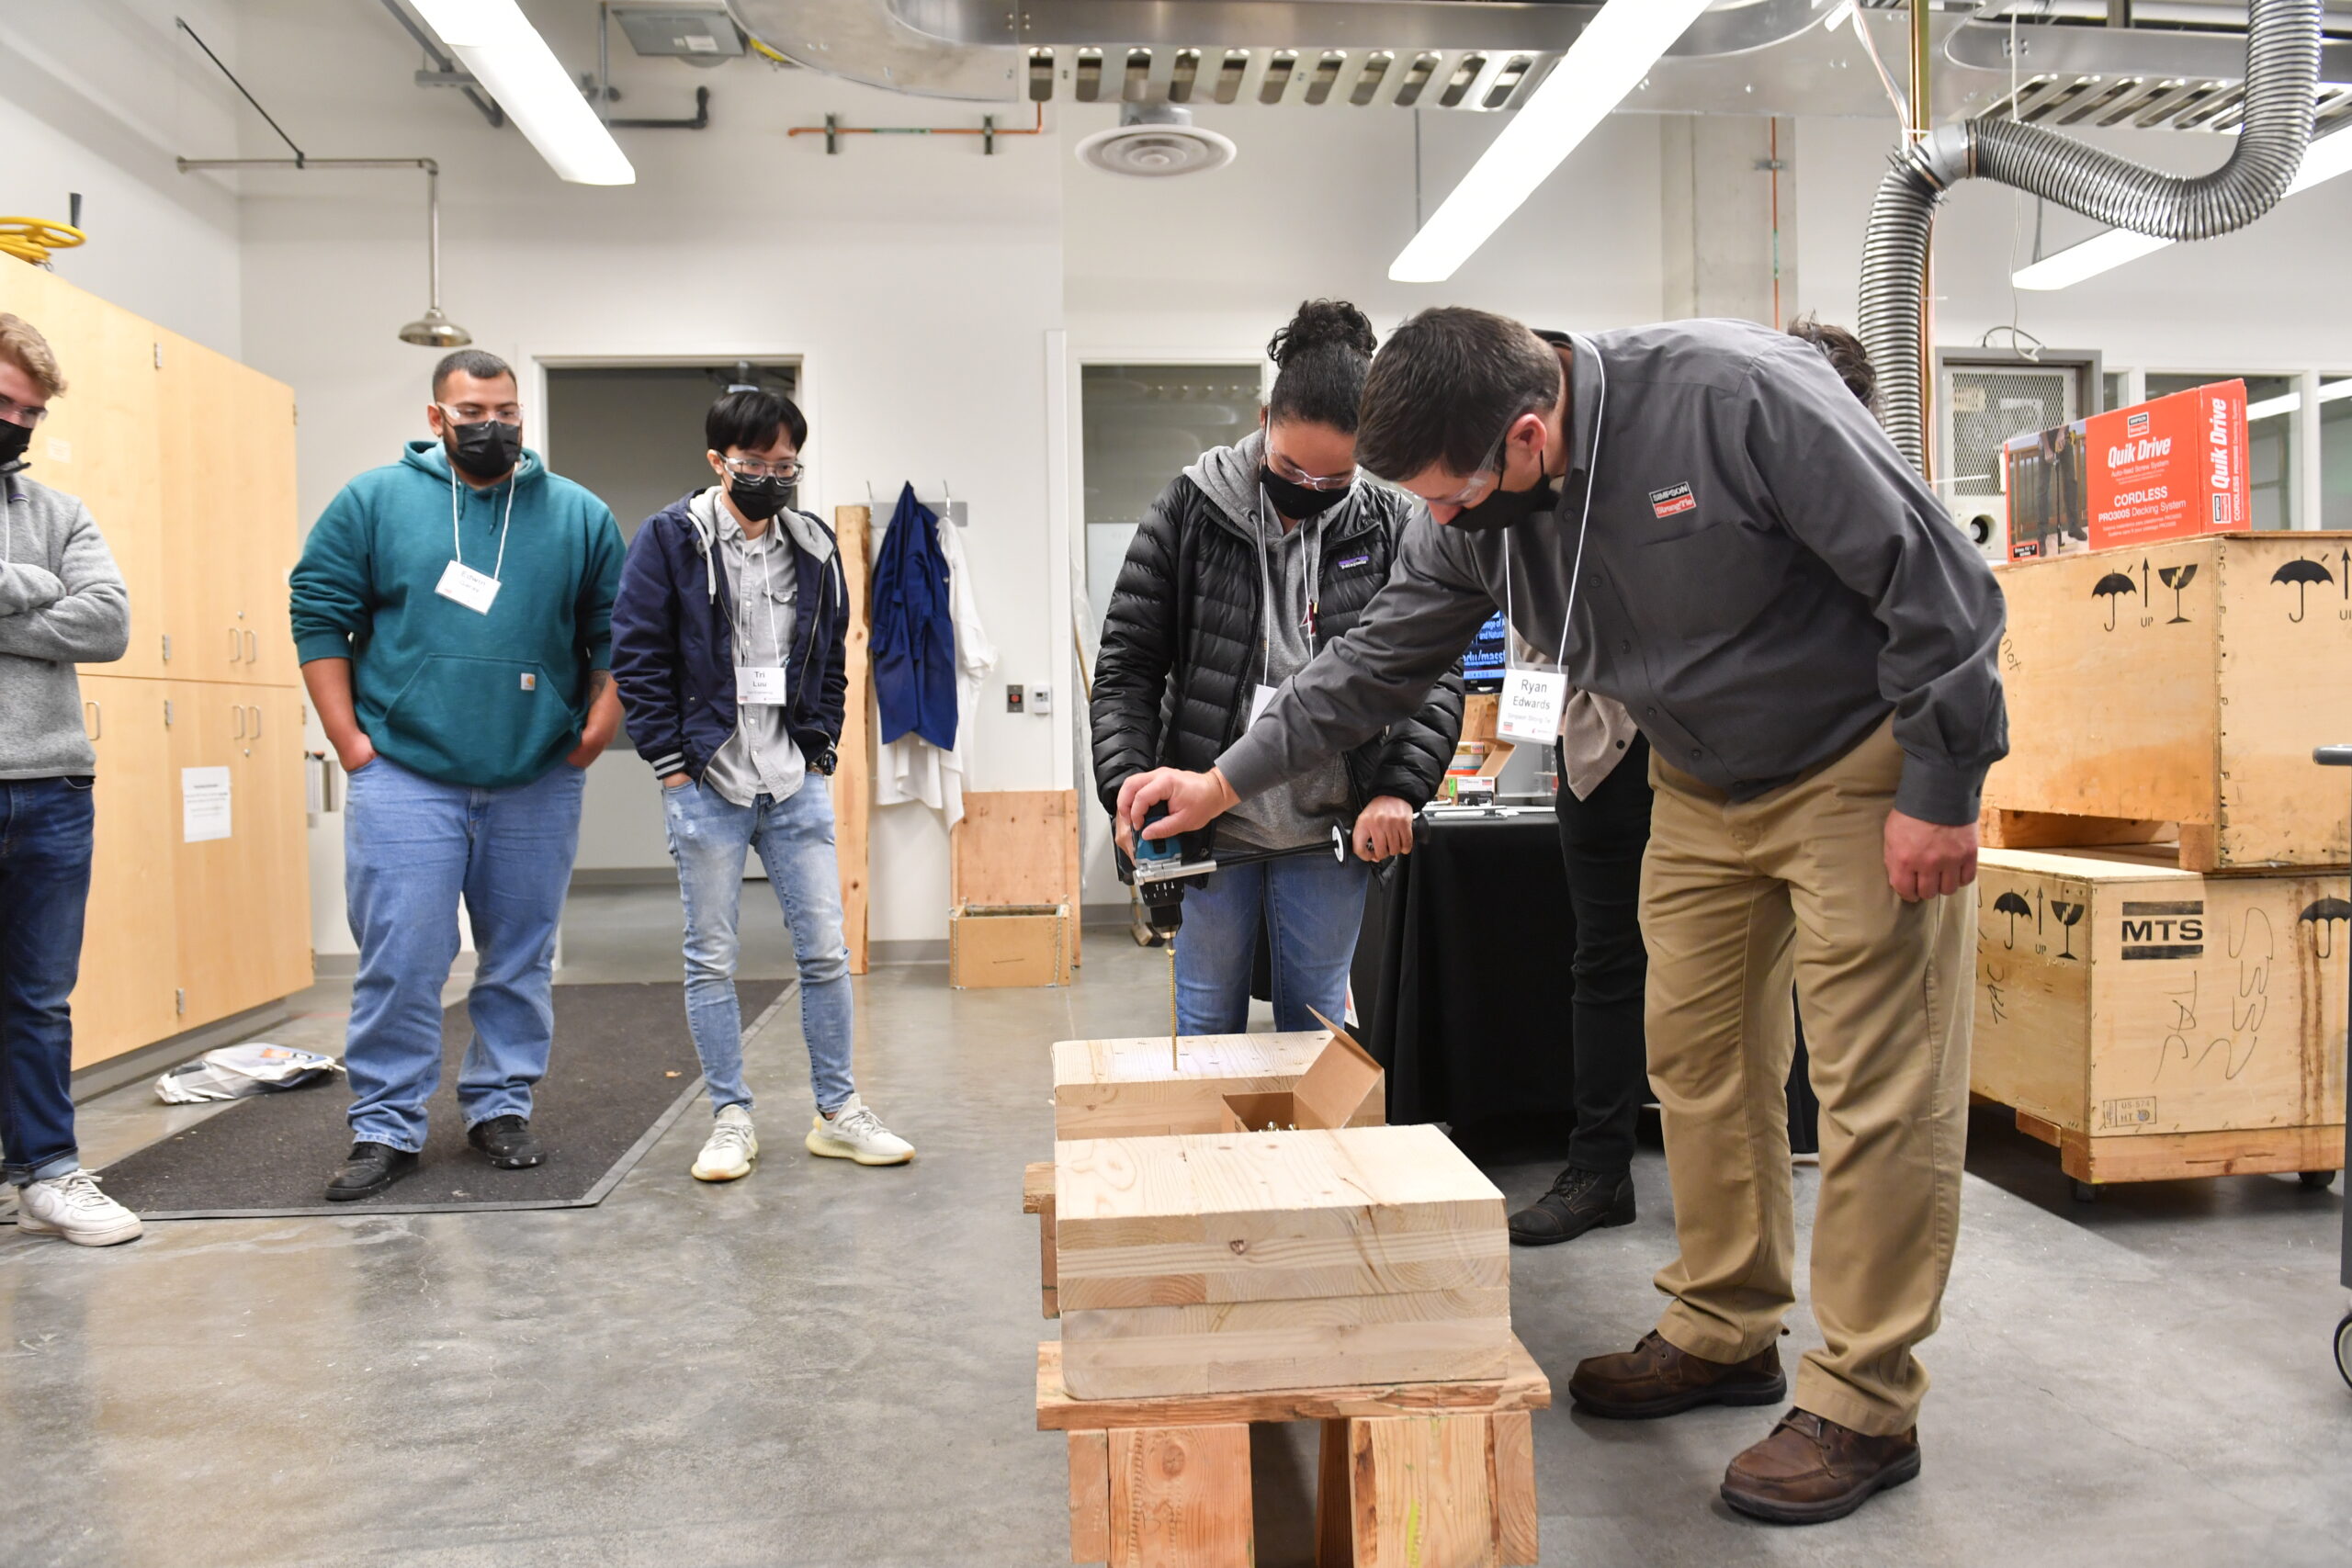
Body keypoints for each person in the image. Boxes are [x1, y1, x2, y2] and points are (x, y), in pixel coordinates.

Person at [1118, 309, 2005, 1526]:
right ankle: (1726, 1321)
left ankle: (1864, 1398)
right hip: (1698, 775)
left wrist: (1942, 785)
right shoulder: (1474, 506)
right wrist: (1222, 779)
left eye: (1449, 496)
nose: (1437, 521)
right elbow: (1375, 661)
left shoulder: (1736, 398)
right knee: (1695, 1056)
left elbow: (1941, 578)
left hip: (1856, 755)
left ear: (1529, 436)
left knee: (1875, 1083)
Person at [1511, 317, 1878, 1246]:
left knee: (1802, 998)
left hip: (1786, 764)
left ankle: (1772, 1186)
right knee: (1619, 969)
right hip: (1613, 752)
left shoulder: (1843, 486)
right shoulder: (1653, 453)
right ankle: (1605, 1174)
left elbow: (1927, 605)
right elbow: (1517, 606)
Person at [291, 349, 625, 1201]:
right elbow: (319, 613)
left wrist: (594, 730)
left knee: (519, 954)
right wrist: (349, 743)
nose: (494, 426)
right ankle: (385, 1125)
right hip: (405, 770)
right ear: (436, 419)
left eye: (507, 411)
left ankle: (499, 1105)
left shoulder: (578, 513)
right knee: (403, 957)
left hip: (535, 774)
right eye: (473, 412)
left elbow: (617, 632)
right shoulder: (373, 501)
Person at [1091, 300, 1463, 1032]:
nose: (1309, 493)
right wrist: (1125, 784)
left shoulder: (1388, 523)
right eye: (1292, 468)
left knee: (1317, 1031)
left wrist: (1398, 788)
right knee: (1205, 1023)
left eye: (1334, 480)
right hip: (1209, 831)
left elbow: (1432, 670)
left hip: (1327, 831)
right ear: (1264, 418)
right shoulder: (1189, 511)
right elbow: (1128, 666)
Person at [609, 389, 911, 1179]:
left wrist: (820, 753)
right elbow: (636, 656)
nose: (773, 478)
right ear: (718, 462)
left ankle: (838, 1111)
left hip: (792, 777)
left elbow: (836, 654)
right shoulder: (669, 540)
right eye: (755, 464)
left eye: (787, 465)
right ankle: (729, 1116)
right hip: (706, 779)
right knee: (711, 956)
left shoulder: (812, 542)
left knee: (824, 951)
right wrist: (671, 764)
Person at [0, 314, 139, 1247]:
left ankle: (49, 1173)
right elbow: (67, 610)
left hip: (50, 786)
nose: (16, 423)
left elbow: (109, 625)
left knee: (39, 999)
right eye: (4, 401)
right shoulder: (44, 544)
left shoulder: (58, 514)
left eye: (29, 412)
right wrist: (35, 587)